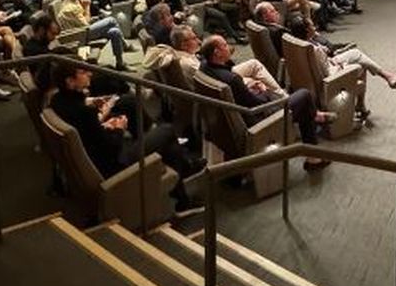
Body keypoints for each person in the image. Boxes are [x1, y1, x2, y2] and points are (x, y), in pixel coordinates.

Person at [49, 61, 202, 209]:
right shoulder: (84, 113)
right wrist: (118, 128)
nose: (89, 73)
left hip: (98, 155)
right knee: (167, 131)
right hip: (117, 164)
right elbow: (111, 147)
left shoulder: (56, 101)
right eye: (82, 72)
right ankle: (184, 179)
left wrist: (104, 124)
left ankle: (183, 193)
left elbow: (88, 133)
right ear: (70, 81)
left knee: (167, 145)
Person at [198, 35, 331, 171]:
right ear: (217, 53)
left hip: (234, 121)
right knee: (304, 96)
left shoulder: (204, 68)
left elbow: (240, 97)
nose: (229, 48)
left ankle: (313, 118)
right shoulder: (232, 79)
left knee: (300, 103)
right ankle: (313, 157)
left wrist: (247, 90)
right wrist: (262, 92)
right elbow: (257, 106)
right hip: (259, 120)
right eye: (225, 45)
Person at [55, 0, 131, 71]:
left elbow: (84, 20)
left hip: (83, 30)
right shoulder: (70, 8)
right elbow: (86, 23)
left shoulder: (73, 1)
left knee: (115, 32)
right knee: (111, 20)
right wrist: (87, 7)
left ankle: (120, 63)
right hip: (80, 36)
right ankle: (125, 46)